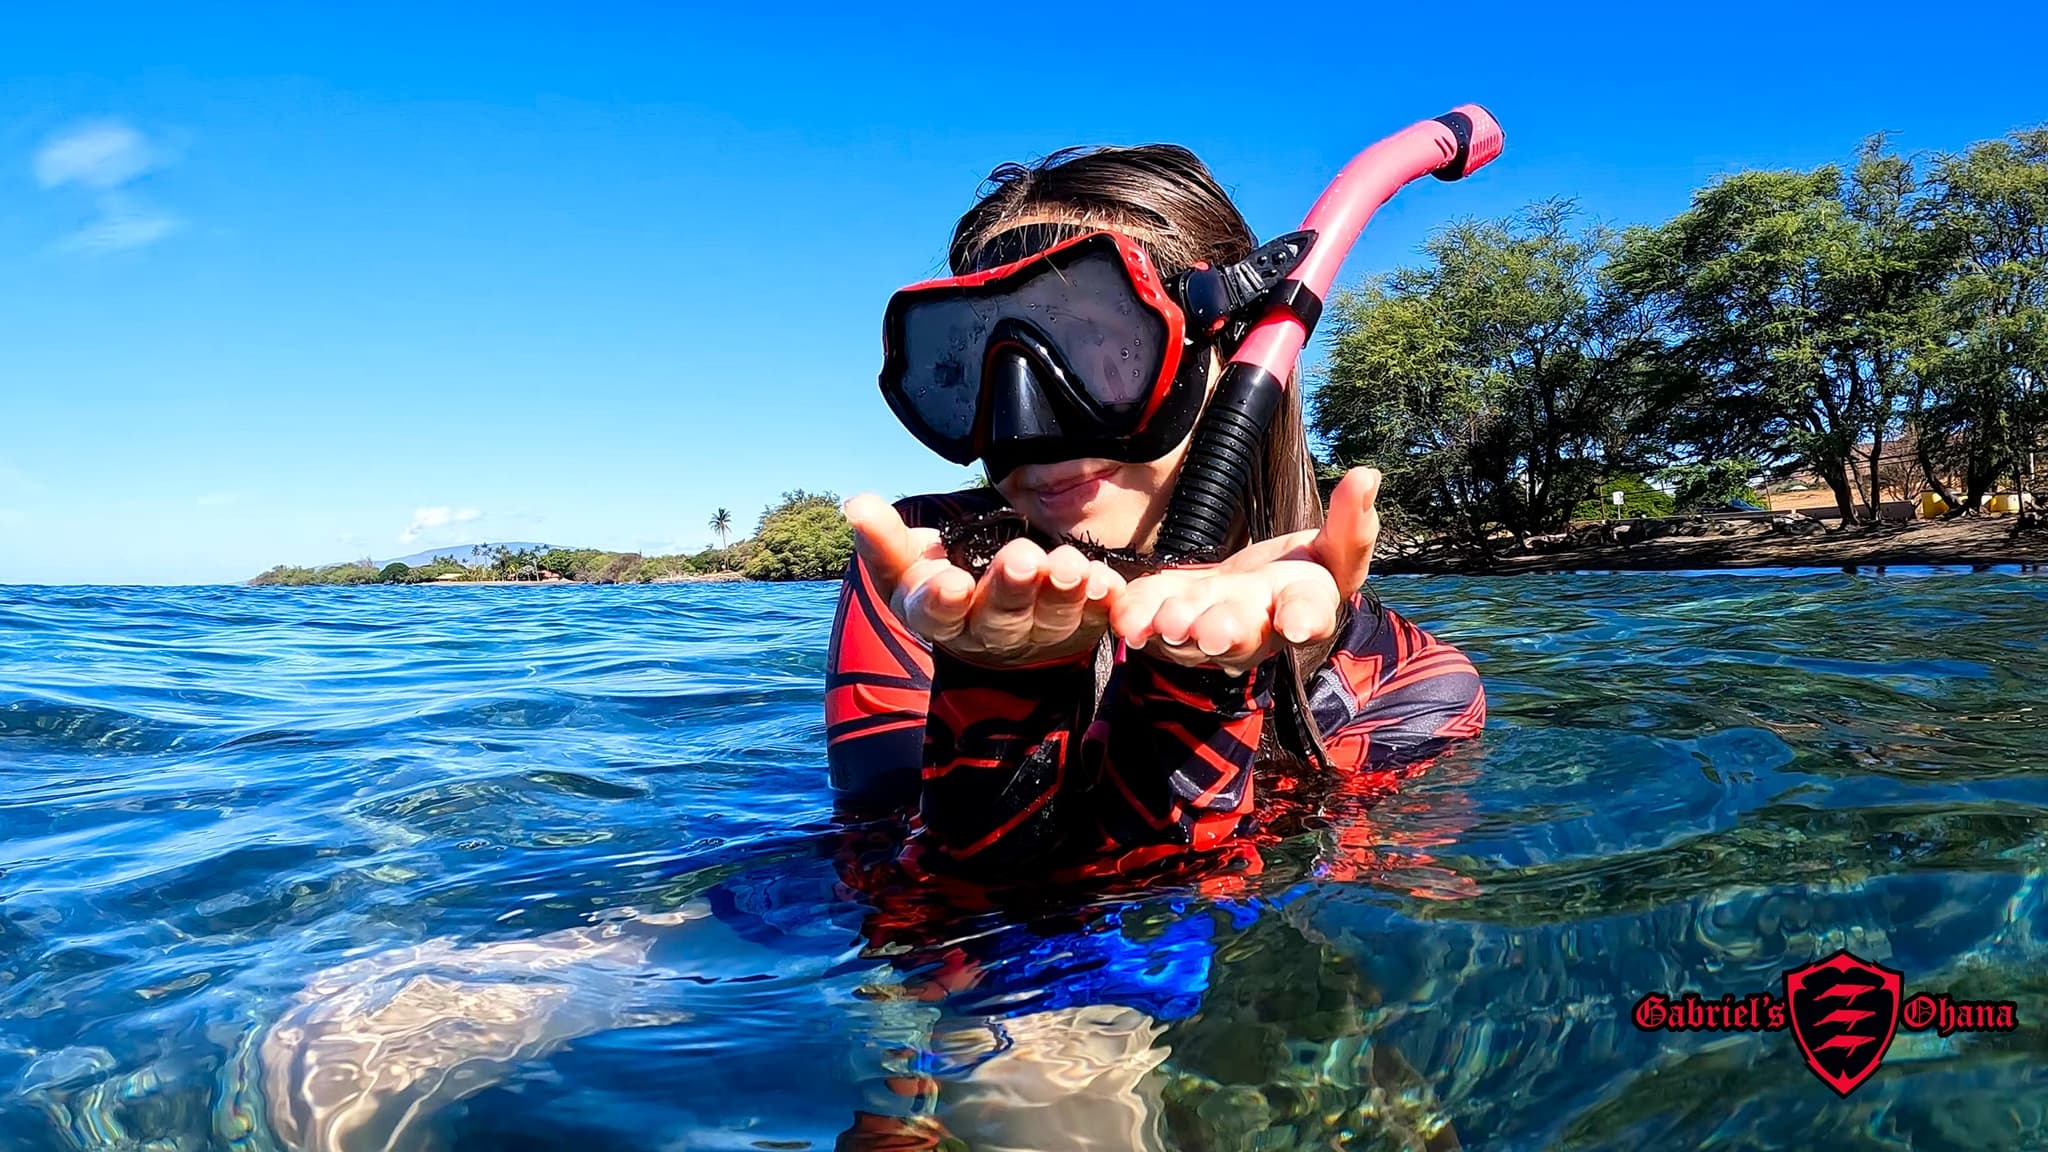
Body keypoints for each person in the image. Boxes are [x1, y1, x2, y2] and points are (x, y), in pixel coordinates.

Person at [830, 142, 1486, 877]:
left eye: (1104, 350)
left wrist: (1197, 687)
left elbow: (1216, 925)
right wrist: (1002, 681)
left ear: (1228, 353)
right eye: (971, 367)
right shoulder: (929, 565)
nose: (1022, 426)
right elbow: (887, 895)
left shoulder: (1413, 684)